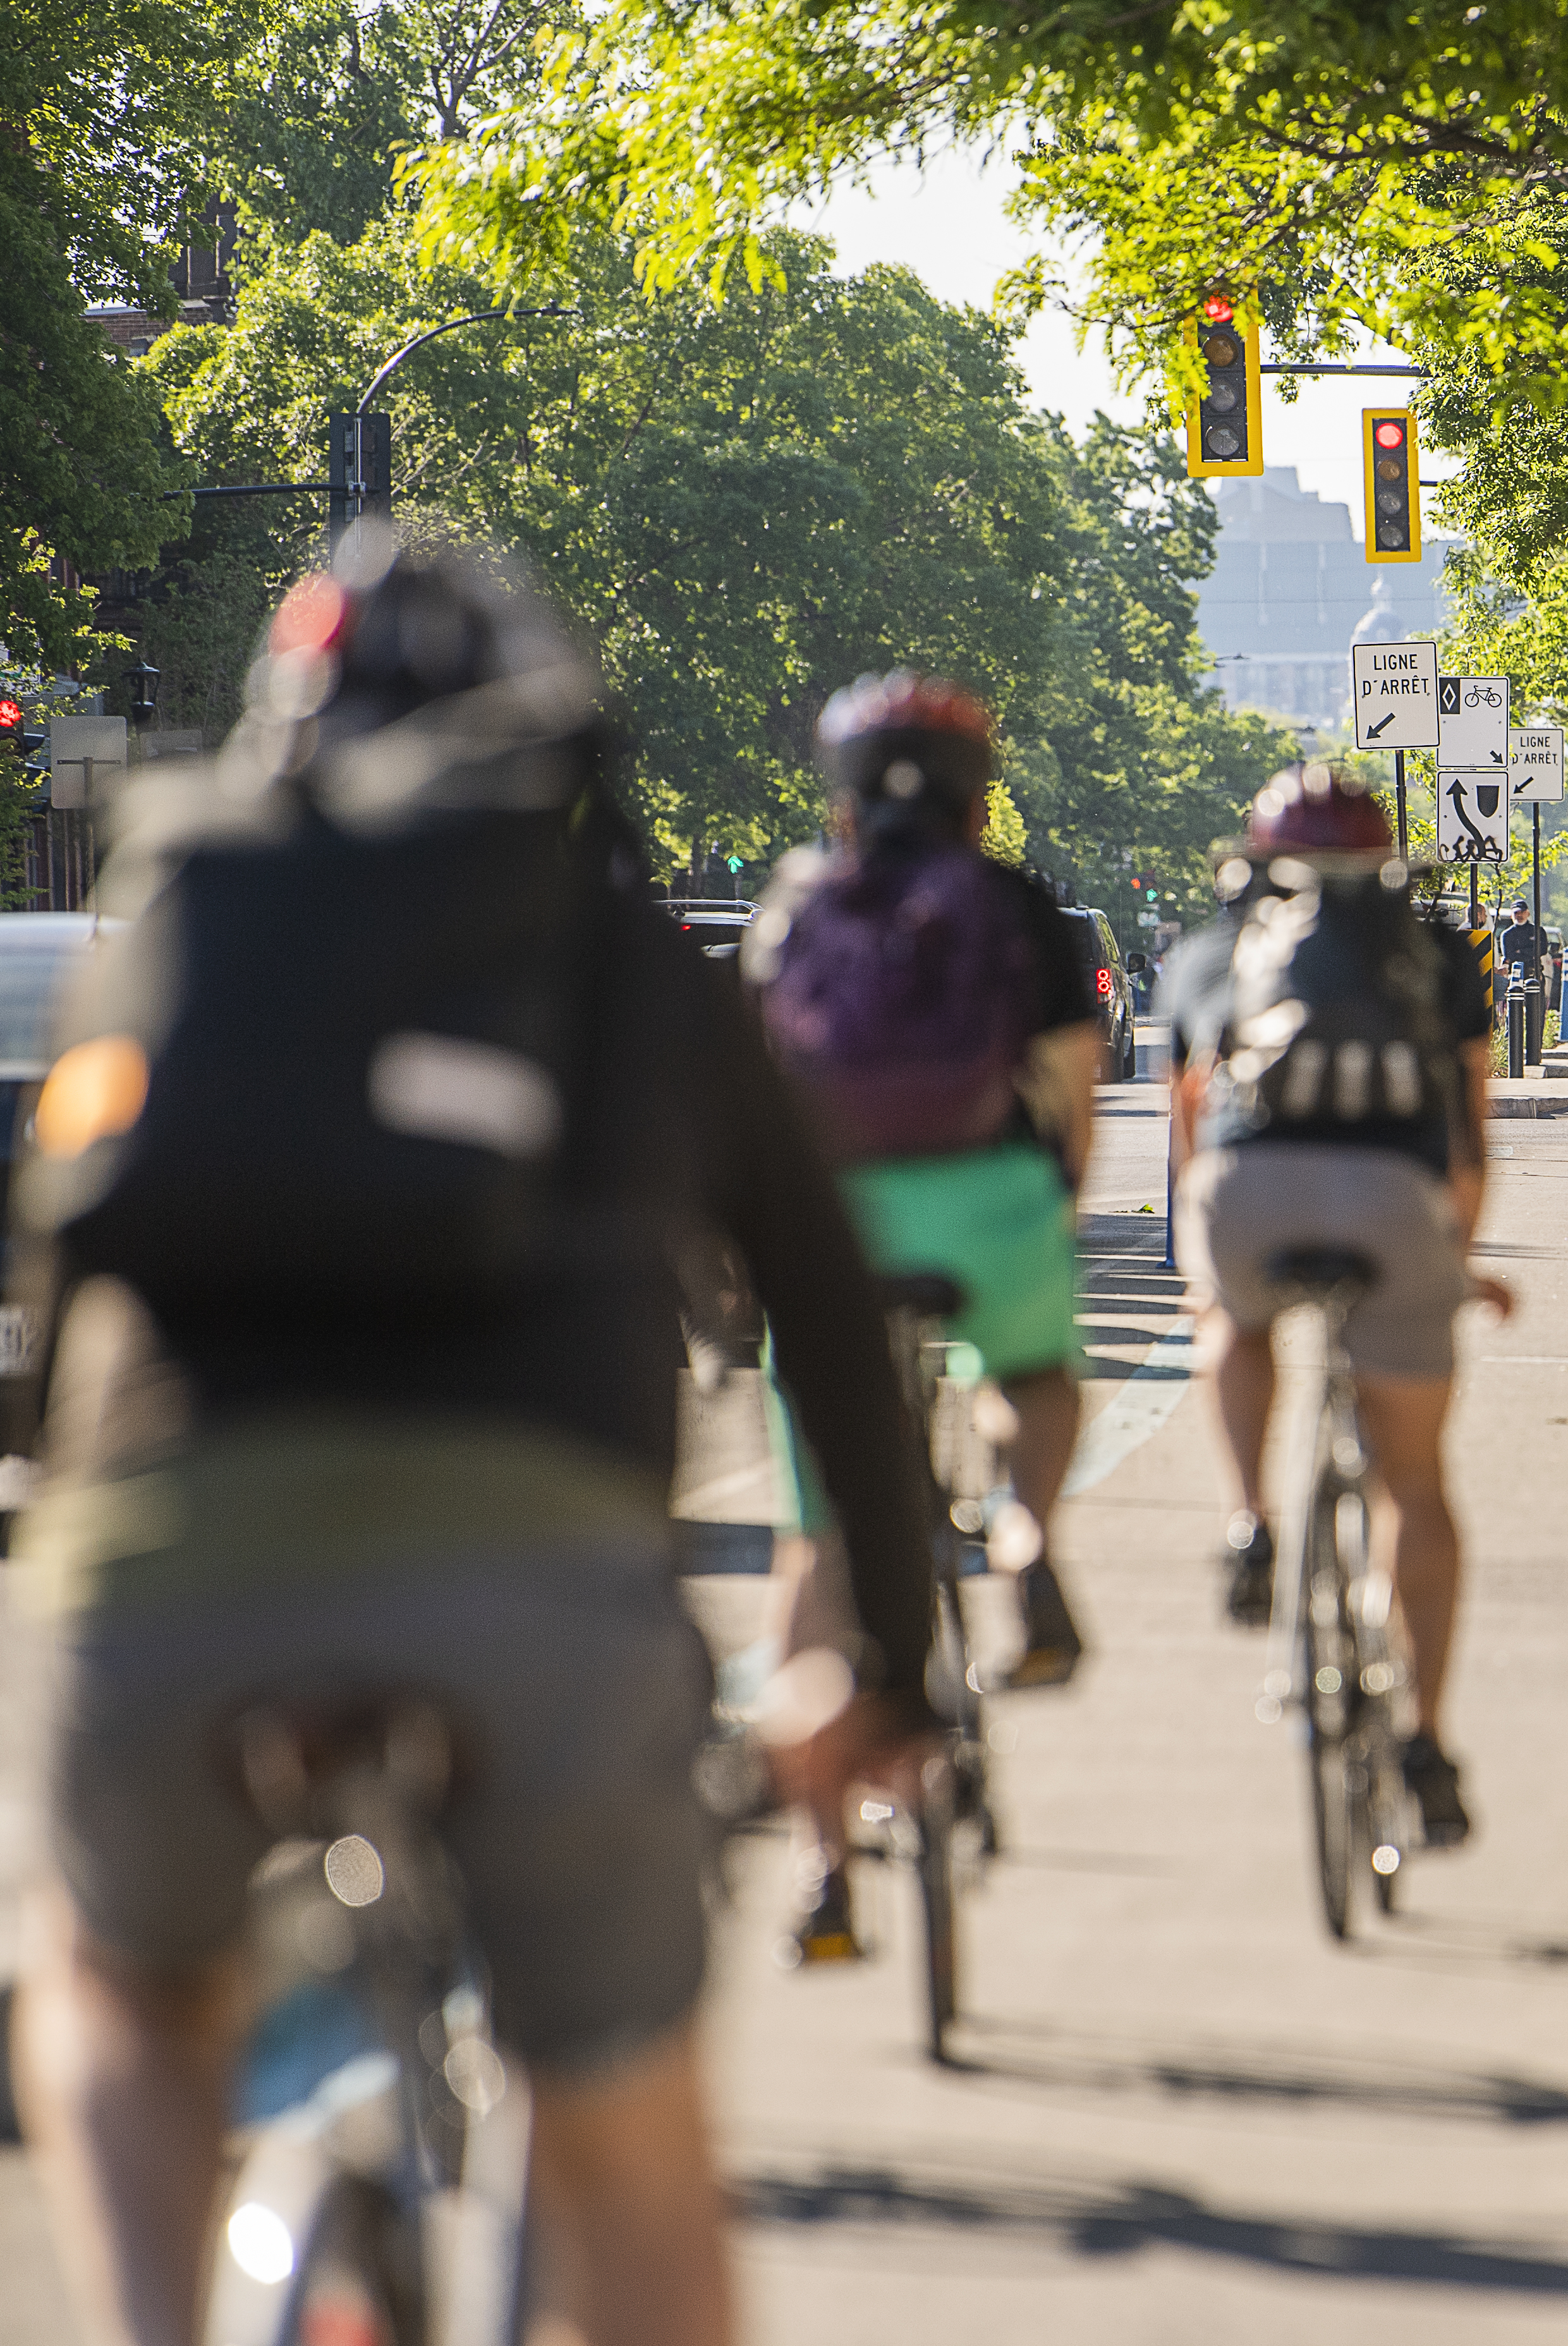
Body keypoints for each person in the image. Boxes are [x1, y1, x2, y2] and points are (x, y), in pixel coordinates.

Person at [8, 529, 938, 2346]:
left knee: (118, 1989)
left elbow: (65, 1258)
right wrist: (892, 1666)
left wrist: (64, 1532)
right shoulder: (628, 963)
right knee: (622, 2121)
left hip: (162, 1565)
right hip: (541, 1585)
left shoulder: (188, 906)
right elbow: (826, 1323)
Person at [745, 670, 1102, 1962]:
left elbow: (752, 1099)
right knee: (1037, 1376)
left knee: (821, 1548)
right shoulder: (1015, 906)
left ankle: (821, 1866)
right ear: (977, 797)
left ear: (841, 801)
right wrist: (1042, 1216)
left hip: (833, 1228)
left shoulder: (792, 908)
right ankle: (1023, 1537)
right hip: (986, 1207)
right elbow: (1068, 1088)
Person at [1166, 767, 1512, 1847]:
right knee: (1415, 1482)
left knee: (1233, 1317)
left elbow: (1189, 1107)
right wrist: (1459, 1252)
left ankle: (1248, 1518)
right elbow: (1467, 1127)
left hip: (1249, 1198)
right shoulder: (1438, 953)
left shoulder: (1218, 948)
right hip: (1394, 1202)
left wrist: (1202, 1261)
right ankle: (1426, 1739)